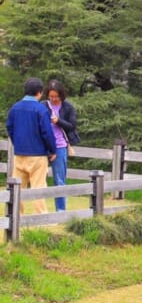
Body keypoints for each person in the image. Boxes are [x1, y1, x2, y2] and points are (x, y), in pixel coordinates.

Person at [7, 78, 56, 214]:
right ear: (39, 93)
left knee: (17, 188)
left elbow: (10, 128)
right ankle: (41, 218)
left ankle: (16, 216)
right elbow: (46, 132)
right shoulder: (40, 110)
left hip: (19, 154)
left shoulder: (15, 107)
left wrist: (17, 143)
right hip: (38, 155)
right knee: (38, 187)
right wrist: (52, 150)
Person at [43, 80, 76, 214]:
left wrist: (58, 121)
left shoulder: (68, 107)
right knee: (39, 180)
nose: (54, 99)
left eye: (56, 96)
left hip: (60, 146)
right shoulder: (42, 106)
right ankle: (41, 211)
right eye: (51, 96)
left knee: (59, 180)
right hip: (43, 147)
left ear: (61, 95)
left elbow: (72, 126)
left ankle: (60, 211)